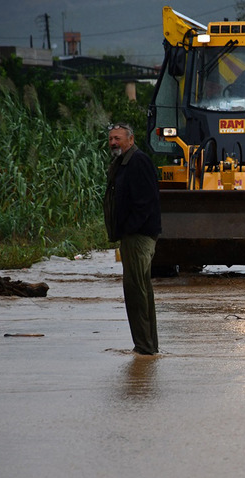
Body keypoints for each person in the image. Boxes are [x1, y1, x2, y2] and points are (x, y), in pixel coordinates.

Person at [103, 123, 163, 356]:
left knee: (136, 291)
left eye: (117, 138)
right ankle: (148, 346)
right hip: (132, 236)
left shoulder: (138, 161)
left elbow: (145, 202)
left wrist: (129, 229)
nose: (113, 143)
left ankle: (145, 347)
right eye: (110, 139)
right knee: (140, 290)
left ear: (130, 139)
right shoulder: (123, 163)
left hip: (138, 237)